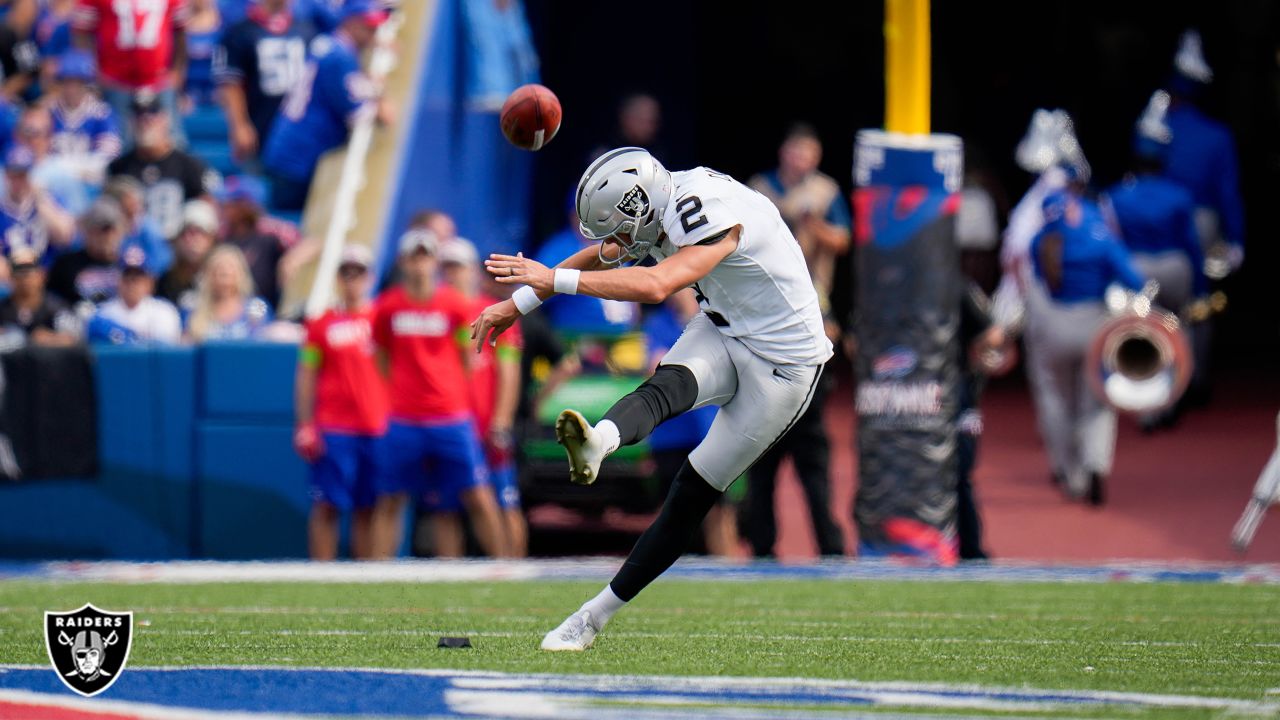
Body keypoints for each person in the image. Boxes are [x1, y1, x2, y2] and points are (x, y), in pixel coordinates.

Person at [472, 147, 833, 650]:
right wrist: (520, 301)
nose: (617, 243)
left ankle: (591, 617)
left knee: (689, 495)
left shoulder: (705, 212)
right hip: (727, 326)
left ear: (640, 204)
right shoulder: (656, 202)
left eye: (621, 229)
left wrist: (552, 280)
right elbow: (602, 255)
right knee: (666, 388)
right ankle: (598, 442)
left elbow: (658, 283)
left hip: (783, 365)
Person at [745, 123, 848, 558]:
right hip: (765, 316)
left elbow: (842, 240)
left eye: (809, 151)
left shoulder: (825, 192)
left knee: (812, 452)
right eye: (795, 149)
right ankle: (761, 545)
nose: (800, 158)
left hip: (809, 312)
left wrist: (813, 225)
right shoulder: (758, 189)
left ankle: (830, 547)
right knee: (759, 452)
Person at [373, 229, 507, 559]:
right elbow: (381, 356)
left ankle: (506, 568)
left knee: (477, 492)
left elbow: (467, 357)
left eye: (425, 256)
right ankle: (373, 577)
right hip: (405, 417)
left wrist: (445, 389)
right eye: (413, 256)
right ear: (403, 262)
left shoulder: (453, 305)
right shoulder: (388, 307)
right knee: (390, 497)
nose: (420, 264)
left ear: (434, 261)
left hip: (449, 416)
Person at [1025, 186, 1146, 507]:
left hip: (1054, 326)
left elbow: (1038, 279)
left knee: (1055, 399)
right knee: (1097, 403)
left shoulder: (1040, 243)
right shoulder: (1099, 238)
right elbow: (1135, 280)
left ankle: (1069, 473)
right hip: (1095, 326)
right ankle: (1096, 465)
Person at [294, 244, 388, 560]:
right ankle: (322, 574)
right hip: (335, 427)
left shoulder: (383, 319)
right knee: (327, 505)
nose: (352, 280)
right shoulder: (320, 324)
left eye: (358, 273)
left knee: (369, 507)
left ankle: (367, 577)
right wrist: (305, 424)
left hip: (376, 425)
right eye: (346, 273)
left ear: (370, 277)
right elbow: (306, 376)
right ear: (338, 278)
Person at [439, 236, 527, 557]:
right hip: (452, 425)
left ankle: (512, 570)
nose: (451, 275)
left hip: (486, 424)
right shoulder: (439, 311)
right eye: (445, 267)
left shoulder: (492, 312)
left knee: (504, 500)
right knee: (446, 507)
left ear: (472, 271)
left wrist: (502, 420)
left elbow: (509, 370)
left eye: (457, 267)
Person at [261, 0, 393, 211]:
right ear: (351, 22)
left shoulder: (330, 45)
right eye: (368, 26)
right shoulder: (339, 57)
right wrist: (380, 99)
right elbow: (358, 112)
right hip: (297, 158)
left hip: (290, 150)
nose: (373, 32)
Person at [643, 289, 736, 557]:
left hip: (708, 430)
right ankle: (664, 565)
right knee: (671, 507)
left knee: (719, 507)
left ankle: (729, 564)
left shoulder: (714, 323)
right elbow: (655, 366)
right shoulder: (659, 323)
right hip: (671, 434)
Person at [71, 0, 189, 148]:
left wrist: (177, 71)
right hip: (115, 81)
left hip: (159, 80)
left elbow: (181, 31)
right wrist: (94, 72)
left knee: (171, 141)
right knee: (118, 143)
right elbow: (81, 31)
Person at [107, 92, 216, 240]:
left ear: (166, 119)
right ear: (130, 121)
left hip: (177, 248)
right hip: (131, 247)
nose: (145, 119)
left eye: (153, 112)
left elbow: (206, 209)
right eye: (139, 113)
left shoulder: (189, 165)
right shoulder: (118, 167)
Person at [214, 0, 312, 164]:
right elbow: (230, 83)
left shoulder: (306, 30)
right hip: (259, 121)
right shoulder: (239, 32)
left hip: (297, 126)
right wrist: (240, 125)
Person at [534, 192, 638, 337]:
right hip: (574, 337)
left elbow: (633, 289)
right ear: (574, 215)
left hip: (622, 337)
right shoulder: (558, 248)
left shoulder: (616, 244)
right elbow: (538, 290)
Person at [218, 174, 303, 307]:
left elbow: (311, 243)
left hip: (263, 309)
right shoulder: (223, 235)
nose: (223, 206)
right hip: (230, 311)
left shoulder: (270, 231)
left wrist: (292, 259)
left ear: (244, 206)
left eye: (230, 202)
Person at [46, 49, 123, 182]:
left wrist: (73, 168)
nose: (71, 89)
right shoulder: (49, 111)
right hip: (55, 180)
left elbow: (109, 156)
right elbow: (37, 154)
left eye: (77, 83)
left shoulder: (101, 113)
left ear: (86, 84)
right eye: (66, 82)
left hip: (90, 181)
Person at [89, 244, 181, 344]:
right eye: (127, 276)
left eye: (137, 278)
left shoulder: (164, 312)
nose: (132, 283)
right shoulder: (104, 314)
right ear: (118, 281)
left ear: (150, 282)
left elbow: (168, 351)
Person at [0, 144, 76, 263]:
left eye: (23, 175)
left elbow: (64, 237)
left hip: (44, 271)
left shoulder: (47, 200)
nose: (18, 181)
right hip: (10, 273)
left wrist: (40, 200)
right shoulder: (2, 207)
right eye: (13, 175)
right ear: (6, 175)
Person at [47, 194, 125, 304]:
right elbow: (52, 302)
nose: (108, 237)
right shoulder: (66, 265)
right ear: (86, 231)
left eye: (112, 230)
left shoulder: (130, 265)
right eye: (101, 230)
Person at [183, 243, 271, 341]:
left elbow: (265, 344)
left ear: (241, 273)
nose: (224, 271)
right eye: (219, 267)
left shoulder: (257, 306)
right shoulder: (193, 307)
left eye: (230, 266)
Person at [0, 245, 78, 344]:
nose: (24, 278)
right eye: (19, 271)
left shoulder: (57, 308)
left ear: (42, 275)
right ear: (10, 277)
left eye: (29, 270)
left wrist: (51, 339)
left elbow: (73, 342)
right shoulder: (2, 309)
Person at [157, 198, 216, 309]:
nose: (189, 239)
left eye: (196, 232)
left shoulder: (220, 280)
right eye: (184, 232)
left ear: (211, 238)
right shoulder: (164, 282)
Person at [181, 0, 220, 107]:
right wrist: (180, 93)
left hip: (215, 93)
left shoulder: (223, 23)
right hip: (188, 92)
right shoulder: (179, 26)